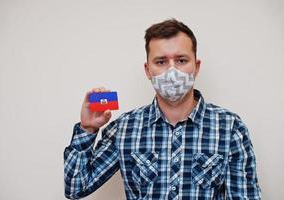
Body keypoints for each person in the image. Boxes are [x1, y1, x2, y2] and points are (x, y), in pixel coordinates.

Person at [63, 18, 261, 200]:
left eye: (181, 60)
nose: (172, 71)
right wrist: (87, 129)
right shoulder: (124, 129)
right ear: (148, 70)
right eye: (161, 61)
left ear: (197, 67)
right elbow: (75, 188)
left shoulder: (230, 127)